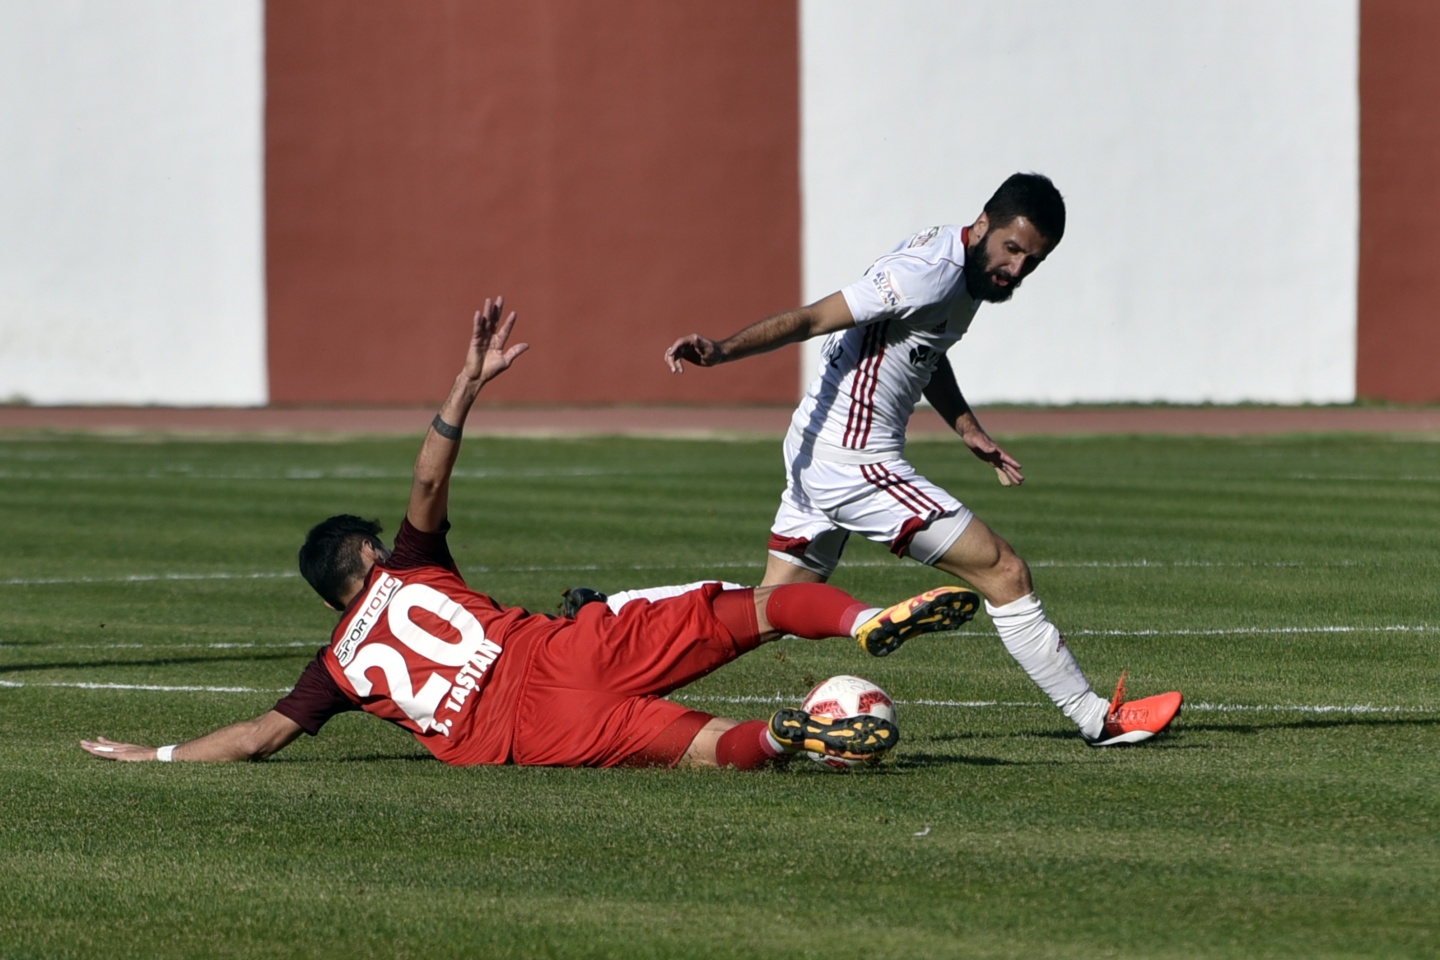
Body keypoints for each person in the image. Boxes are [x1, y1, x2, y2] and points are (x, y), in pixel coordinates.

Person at [80, 298, 979, 770]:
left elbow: (256, 737)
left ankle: (789, 740)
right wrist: (468, 381)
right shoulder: (411, 569)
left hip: (535, 733)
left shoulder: (337, 669)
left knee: (697, 748)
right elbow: (430, 475)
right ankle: (860, 621)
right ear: (367, 558)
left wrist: (152, 754)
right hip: (554, 653)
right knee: (764, 607)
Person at [659, 173, 1182, 747]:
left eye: (1032, 262)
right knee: (1003, 570)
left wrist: (967, 428)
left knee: (769, 609)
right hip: (854, 460)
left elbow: (926, 351)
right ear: (984, 224)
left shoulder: (969, 271)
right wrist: (722, 349)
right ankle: (1096, 719)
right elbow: (814, 318)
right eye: (1011, 250)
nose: (1016, 270)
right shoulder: (928, 272)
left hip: (818, 449)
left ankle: (611, 614)